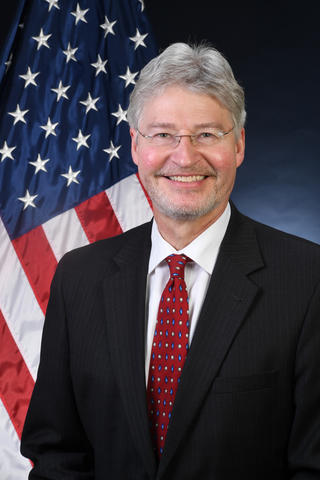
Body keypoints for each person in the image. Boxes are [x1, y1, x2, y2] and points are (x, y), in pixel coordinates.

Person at [21, 42, 320, 479]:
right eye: (163, 134)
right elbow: (56, 455)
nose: (184, 156)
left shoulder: (307, 280)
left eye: (206, 134)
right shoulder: (78, 277)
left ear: (237, 145)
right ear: (135, 146)